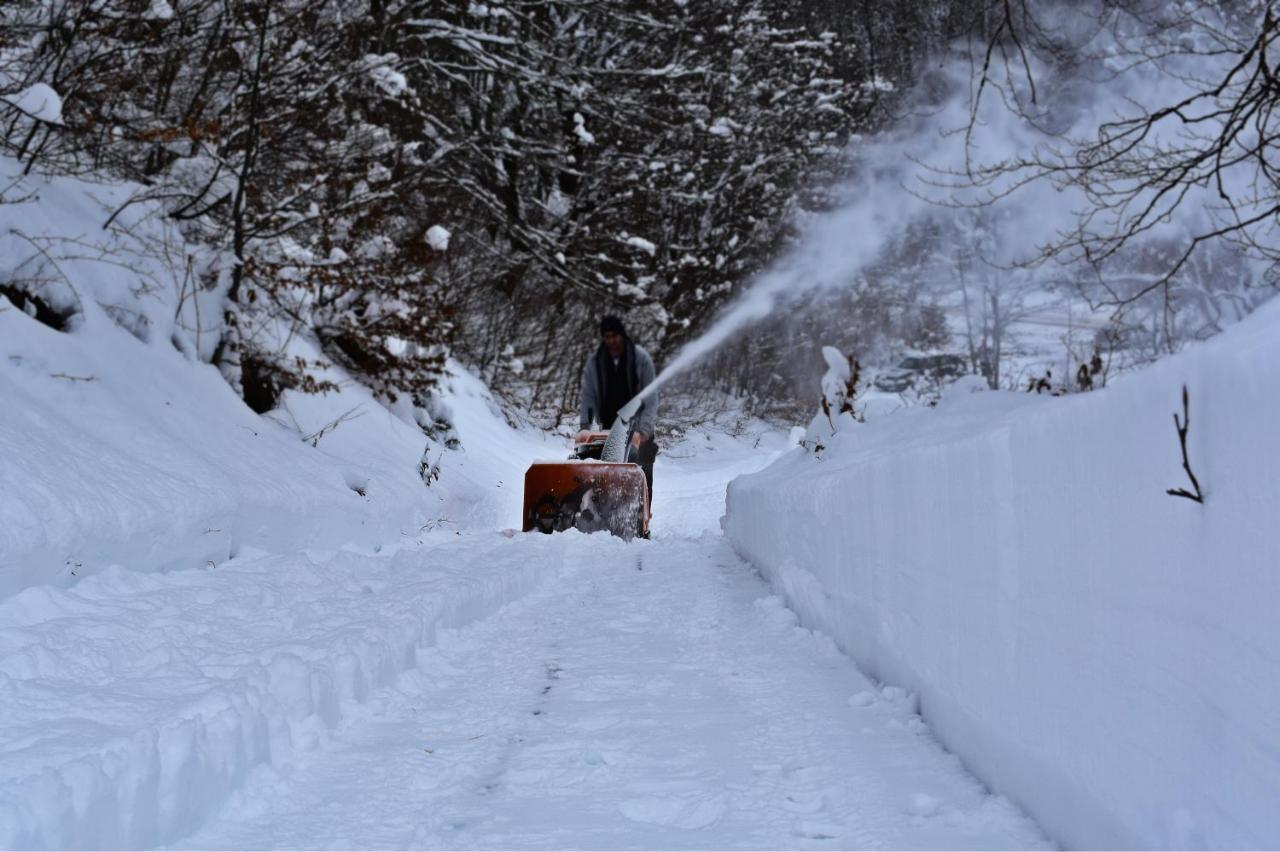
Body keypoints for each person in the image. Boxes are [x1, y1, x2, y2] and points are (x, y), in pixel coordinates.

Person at [576, 315, 659, 497]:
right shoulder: (596, 362)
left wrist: (643, 431)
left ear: (622, 335)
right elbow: (588, 396)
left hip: (639, 430)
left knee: (642, 474)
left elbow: (651, 398)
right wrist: (584, 427)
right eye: (607, 336)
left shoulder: (639, 358)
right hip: (609, 430)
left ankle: (640, 520)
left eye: (615, 336)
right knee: (604, 474)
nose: (611, 340)